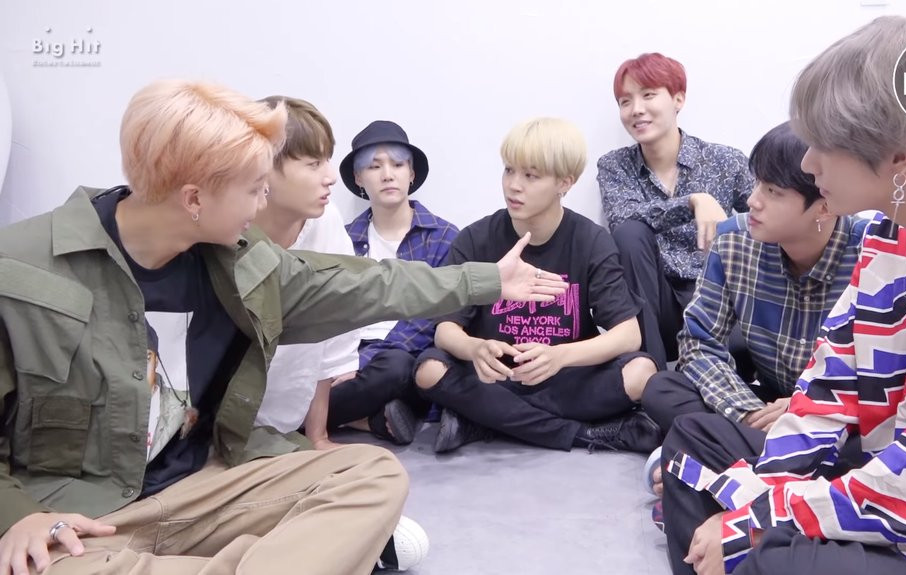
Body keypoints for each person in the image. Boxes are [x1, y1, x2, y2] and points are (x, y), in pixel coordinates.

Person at [0, 79, 566, 575]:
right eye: (254, 188)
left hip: (200, 489)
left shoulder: (240, 262)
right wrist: (16, 516)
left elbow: (365, 285)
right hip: (78, 521)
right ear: (194, 198)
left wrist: (486, 280)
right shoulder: (18, 268)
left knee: (372, 473)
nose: (263, 201)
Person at [660, 16, 906, 575]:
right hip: (885, 481)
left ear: (898, 155)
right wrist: (761, 504)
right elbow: (825, 394)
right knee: (693, 441)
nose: (808, 164)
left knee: (780, 560)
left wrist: (756, 519)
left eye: (823, 145)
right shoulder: (887, 236)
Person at [641, 121, 867, 498]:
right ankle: (782, 470)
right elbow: (698, 343)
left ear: (825, 205)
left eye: (773, 191)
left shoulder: (870, 252)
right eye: (758, 183)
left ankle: (712, 462)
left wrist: (805, 409)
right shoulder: (734, 239)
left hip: (832, 412)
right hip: (763, 408)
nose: (753, 201)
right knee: (663, 387)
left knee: (875, 445)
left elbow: (884, 376)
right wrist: (745, 412)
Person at [249, 97, 428, 571]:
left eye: (397, 164)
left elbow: (334, 330)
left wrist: (318, 434)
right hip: (234, 428)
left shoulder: (328, 224)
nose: (329, 176)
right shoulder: (230, 231)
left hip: (336, 385)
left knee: (412, 377)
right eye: (314, 164)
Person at [414, 117, 661, 454]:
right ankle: (584, 435)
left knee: (641, 372)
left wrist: (559, 356)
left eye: (530, 176)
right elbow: (446, 330)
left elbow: (628, 335)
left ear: (565, 183)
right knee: (428, 370)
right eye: (509, 170)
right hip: (495, 377)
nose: (513, 186)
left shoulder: (591, 240)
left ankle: (485, 420)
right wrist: (475, 349)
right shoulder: (475, 238)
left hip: (563, 377)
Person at [597, 52, 754, 368]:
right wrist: (692, 202)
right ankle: (649, 371)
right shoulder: (615, 165)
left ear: (678, 99)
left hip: (718, 299)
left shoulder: (726, 161)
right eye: (625, 101)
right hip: (657, 306)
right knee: (629, 233)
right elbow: (620, 219)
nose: (636, 109)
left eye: (648, 95)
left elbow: (767, 217)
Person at [328, 120, 460, 445]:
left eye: (398, 165)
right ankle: (372, 421)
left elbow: (433, 317)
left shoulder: (443, 237)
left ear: (411, 173)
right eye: (374, 167)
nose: (387, 175)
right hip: (348, 354)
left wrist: (361, 364)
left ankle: (295, 421)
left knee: (397, 368)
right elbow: (330, 311)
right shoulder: (342, 239)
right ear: (359, 178)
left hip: (402, 358)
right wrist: (339, 362)